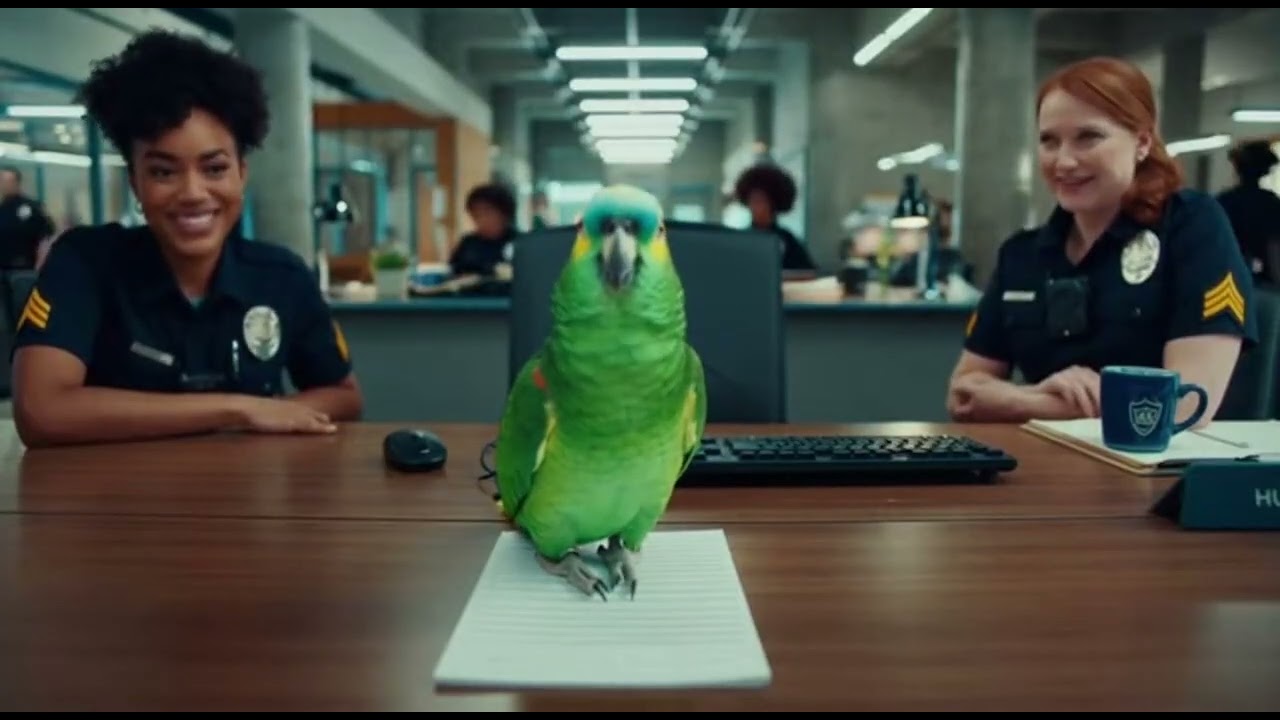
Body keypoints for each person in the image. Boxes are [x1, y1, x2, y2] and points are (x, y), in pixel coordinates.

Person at [9, 29, 363, 448]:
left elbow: (345, 396)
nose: (193, 193)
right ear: (136, 184)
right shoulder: (85, 263)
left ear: (241, 175)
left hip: (247, 502)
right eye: (163, 171)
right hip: (111, 505)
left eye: (214, 168)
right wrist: (237, 408)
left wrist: (278, 412)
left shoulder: (282, 276)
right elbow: (41, 411)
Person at [948, 56, 1258, 426]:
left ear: (1142, 142)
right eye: (1049, 141)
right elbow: (962, 397)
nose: (1063, 161)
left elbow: (1188, 405)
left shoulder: (1191, 226)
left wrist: (1021, 404)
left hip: (1160, 474)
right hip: (1040, 470)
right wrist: (1034, 393)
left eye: (1088, 137)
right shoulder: (1023, 255)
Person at [1215, 140, 1280, 287]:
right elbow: (1274, 247)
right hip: (1265, 283)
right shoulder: (1270, 203)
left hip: (1227, 280)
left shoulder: (1223, 202)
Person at [733, 163, 816, 271]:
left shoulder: (788, 240)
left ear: (773, 204)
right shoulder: (740, 240)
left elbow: (808, 272)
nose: (755, 206)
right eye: (752, 200)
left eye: (761, 201)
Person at [448, 182, 519, 278]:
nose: (482, 220)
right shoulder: (468, 243)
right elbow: (453, 271)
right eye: (476, 215)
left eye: (488, 213)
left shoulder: (521, 243)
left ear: (504, 214)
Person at [0, 165, 56, 270]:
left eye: (8, 181)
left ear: (17, 183)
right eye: (2, 181)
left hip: (25, 268)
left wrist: (39, 267)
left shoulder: (32, 207)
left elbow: (46, 239)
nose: (4, 185)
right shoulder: (2, 209)